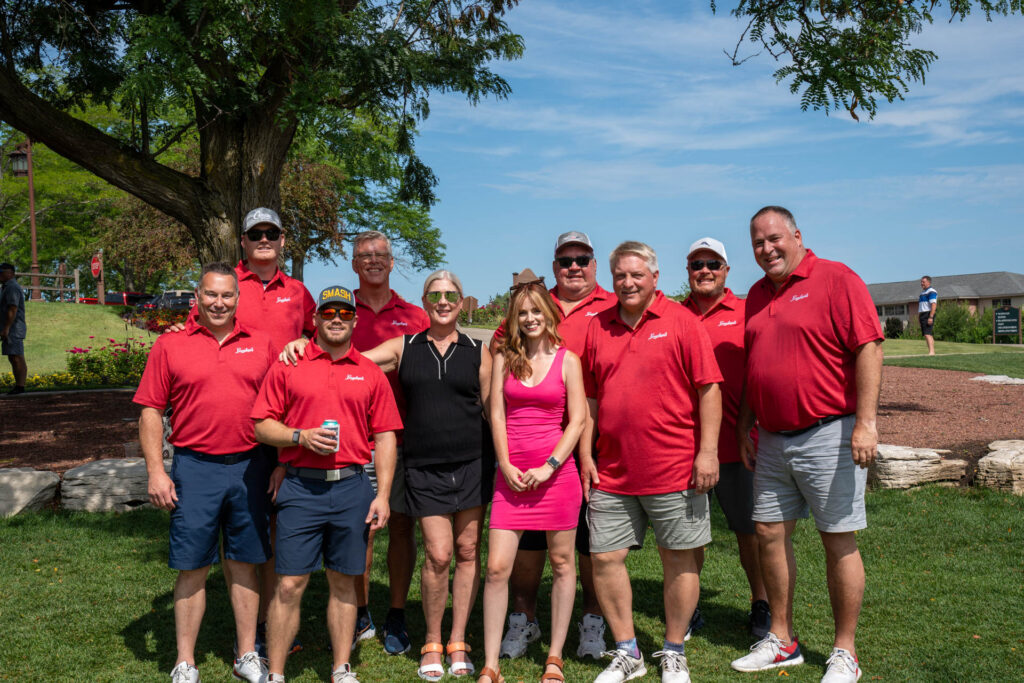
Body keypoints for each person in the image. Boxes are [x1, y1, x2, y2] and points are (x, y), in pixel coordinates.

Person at [282, 270, 491, 680]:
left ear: (462, 301)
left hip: (473, 464)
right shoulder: (405, 346)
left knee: (468, 551)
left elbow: (493, 409)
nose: (443, 301)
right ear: (425, 302)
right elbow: (350, 358)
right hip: (424, 465)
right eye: (435, 295)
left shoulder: (479, 352)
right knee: (439, 554)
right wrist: (305, 345)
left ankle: (459, 639)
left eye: (451, 295)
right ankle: (433, 640)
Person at [731, 206, 883, 683]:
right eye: (758, 242)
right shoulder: (757, 295)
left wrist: (866, 423)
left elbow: (869, 346)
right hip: (772, 439)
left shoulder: (836, 278)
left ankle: (845, 651)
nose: (767, 249)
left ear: (797, 235)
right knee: (769, 534)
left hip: (829, 433)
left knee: (837, 539)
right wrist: (744, 425)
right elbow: (757, 366)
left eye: (774, 238)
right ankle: (782, 640)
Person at [172, 206, 316, 656]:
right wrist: (181, 327)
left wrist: (305, 341)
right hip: (236, 426)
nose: (264, 239)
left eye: (272, 232)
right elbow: (200, 325)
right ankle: (250, 630)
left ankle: (272, 623)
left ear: (283, 239)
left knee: (274, 528)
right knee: (247, 532)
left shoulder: (298, 291)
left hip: (281, 423)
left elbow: (318, 339)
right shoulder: (227, 284)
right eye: (256, 234)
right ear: (243, 240)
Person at [580, 241, 723, 683]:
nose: (628, 283)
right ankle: (628, 651)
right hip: (612, 470)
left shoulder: (682, 322)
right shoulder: (598, 326)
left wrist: (708, 452)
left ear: (655, 278)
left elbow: (709, 389)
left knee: (679, 560)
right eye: (620, 275)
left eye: (636, 274)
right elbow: (589, 398)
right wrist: (585, 453)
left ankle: (674, 649)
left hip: (674, 468)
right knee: (605, 558)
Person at [252, 284, 402, 683]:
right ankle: (276, 673)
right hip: (300, 488)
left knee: (344, 582)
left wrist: (384, 495)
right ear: (316, 318)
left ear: (355, 320)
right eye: (329, 312)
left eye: (345, 313)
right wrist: (299, 437)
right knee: (289, 584)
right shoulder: (289, 365)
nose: (337, 319)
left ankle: (341, 668)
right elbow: (262, 424)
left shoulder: (369, 371)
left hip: (351, 487)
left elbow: (386, 435)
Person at [134, 262, 277, 683]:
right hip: (194, 468)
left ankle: (247, 653)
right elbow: (150, 411)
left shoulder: (262, 344)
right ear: (196, 297)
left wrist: (283, 464)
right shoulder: (170, 344)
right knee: (192, 566)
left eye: (227, 295)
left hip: (252, 466)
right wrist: (156, 472)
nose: (219, 302)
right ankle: (185, 661)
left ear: (238, 298)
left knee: (244, 563)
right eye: (211, 294)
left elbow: (283, 406)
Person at [488, 231, 615, 660]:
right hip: (518, 462)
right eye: (565, 260)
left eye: (582, 259)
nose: (573, 266)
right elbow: (496, 403)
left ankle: (590, 623)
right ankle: (522, 618)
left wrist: (567, 459)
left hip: (576, 452)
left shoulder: (609, 309)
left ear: (593, 263)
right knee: (519, 554)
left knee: (582, 549)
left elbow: (582, 411)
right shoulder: (525, 320)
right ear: (555, 266)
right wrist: (505, 460)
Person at [478, 270, 587, 683]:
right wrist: (505, 465)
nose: (529, 318)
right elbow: (496, 414)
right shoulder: (504, 359)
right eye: (521, 313)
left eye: (536, 311)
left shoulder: (568, 360)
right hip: (511, 479)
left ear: (549, 314)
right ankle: (491, 664)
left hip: (556, 478)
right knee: (496, 569)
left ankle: (554, 657)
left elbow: (578, 420)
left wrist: (549, 467)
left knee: (562, 563)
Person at [681, 237, 770, 639]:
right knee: (688, 534)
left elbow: (760, 372)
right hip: (686, 446)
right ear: (688, 271)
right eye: (697, 264)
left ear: (726, 271)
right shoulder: (674, 315)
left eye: (713, 264)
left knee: (750, 532)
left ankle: (761, 602)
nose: (705, 271)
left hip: (739, 443)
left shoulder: (747, 312)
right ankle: (688, 605)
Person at [349, 230, 430, 654]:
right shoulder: (340, 312)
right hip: (352, 440)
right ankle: (360, 611)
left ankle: (396, 613)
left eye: (381, 254)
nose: (374, 260)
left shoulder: (415, 316)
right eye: (365, 255)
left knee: (401, 525)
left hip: (402, 439)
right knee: (360, 530)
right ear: (354, 264)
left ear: (392, 262)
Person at [0, 263, 27, 396]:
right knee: (12, 356)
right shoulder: (5, 287)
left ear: (10, 273)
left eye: (1, 272)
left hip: (14, 328)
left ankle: (20, 386)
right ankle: (18, 386)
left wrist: (6, 328)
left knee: (16, 356)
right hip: (10, 327)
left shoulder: (12, 287)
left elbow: (13, 308)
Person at [919, 276, 938, 355]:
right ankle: (931, 351)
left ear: (928, 282)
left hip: (928, 314)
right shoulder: (922, 293)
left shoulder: (931, 291)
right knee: (927, 334)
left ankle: (931, 352)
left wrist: (931, 317)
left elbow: (933, 304)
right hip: (923, 314)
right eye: (921, 282)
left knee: (927, 334)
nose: (921, 283)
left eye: (923, 282)